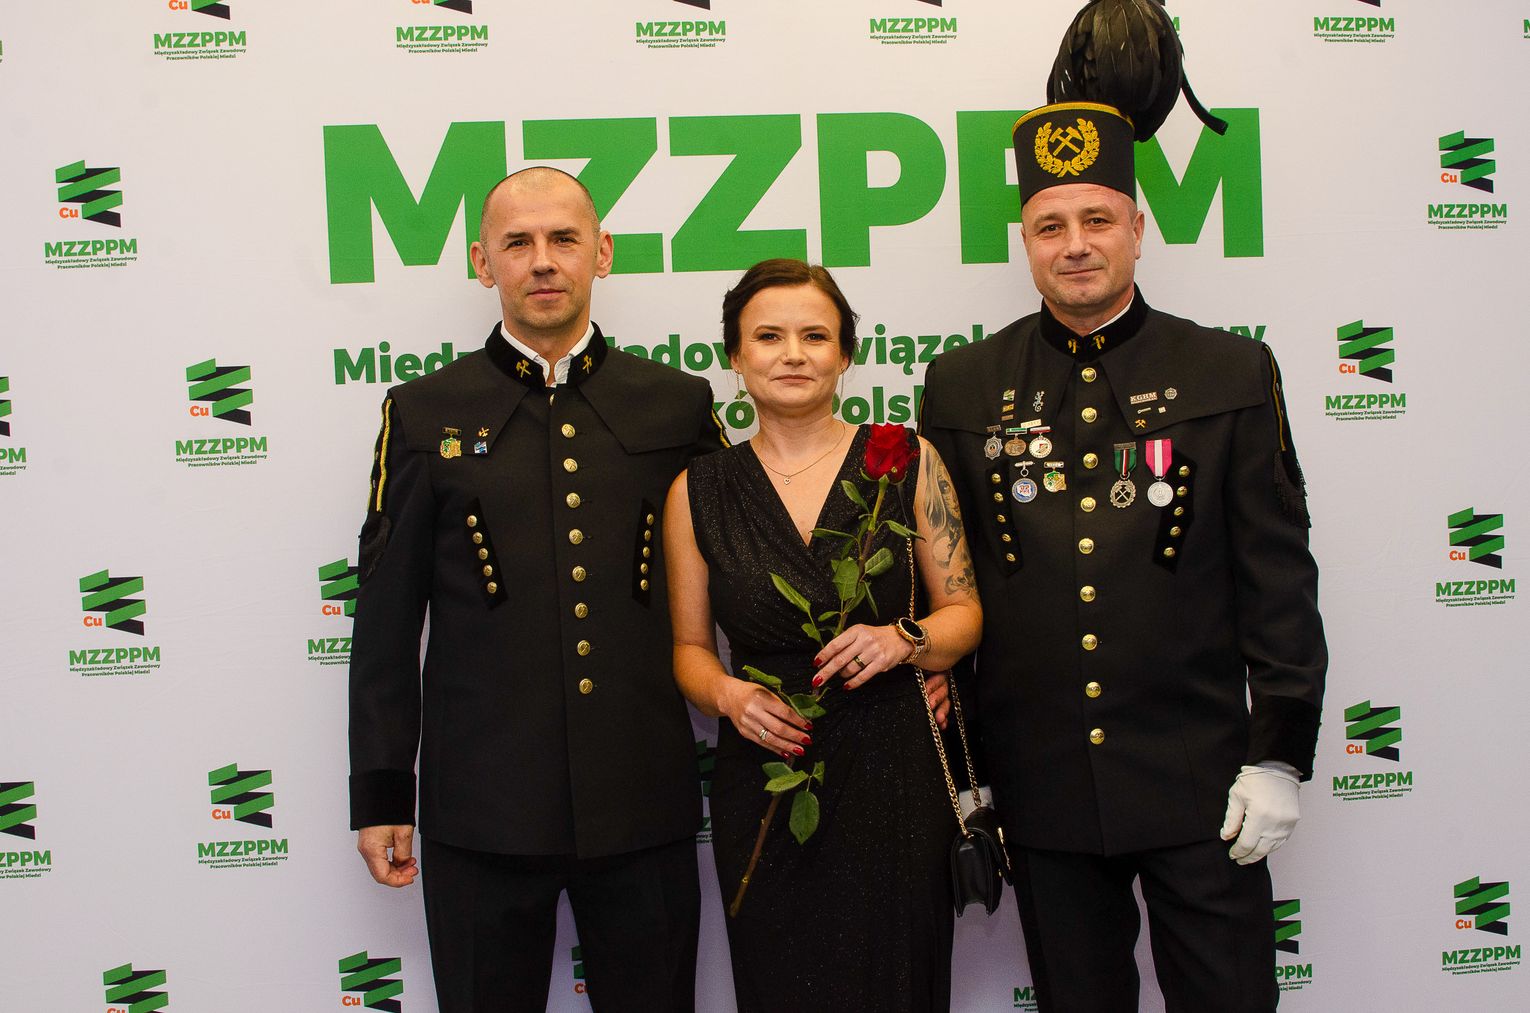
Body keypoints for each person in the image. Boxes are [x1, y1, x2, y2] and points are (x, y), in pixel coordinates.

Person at [920, 101, 1328, 1012]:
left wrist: (1279, 754)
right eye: (1049, 226)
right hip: (1045, 785)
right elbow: (950, 582)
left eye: (1097, 220)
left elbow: (1278, 578)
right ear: (1025, 241)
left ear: (1138, 230)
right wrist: (969, 769)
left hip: (1203, 780)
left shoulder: (1228, 370)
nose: (1075, 245)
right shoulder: (962, 387)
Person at [347, 166, 726, 1013]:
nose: (543, 260)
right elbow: (385, 624)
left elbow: (744, 572)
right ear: (482, 262)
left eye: (563, 239)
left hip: (642, 803)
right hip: (479, 814)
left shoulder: (675, 404)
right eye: (517, 242)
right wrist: (381, 793)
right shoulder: (423, 413)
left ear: (603, 253)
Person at [665, 259, 983, 1013]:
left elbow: (965, 614)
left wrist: (905, 638)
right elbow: (689, 649)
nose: (793, 354)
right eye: (768, 336)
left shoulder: (909, 460)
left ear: (845, 354)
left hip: (894, 768)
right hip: (768, 772)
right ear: (734, 356)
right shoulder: (698, 490)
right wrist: (729, 697)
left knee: (899, 982)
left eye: (815, 336)